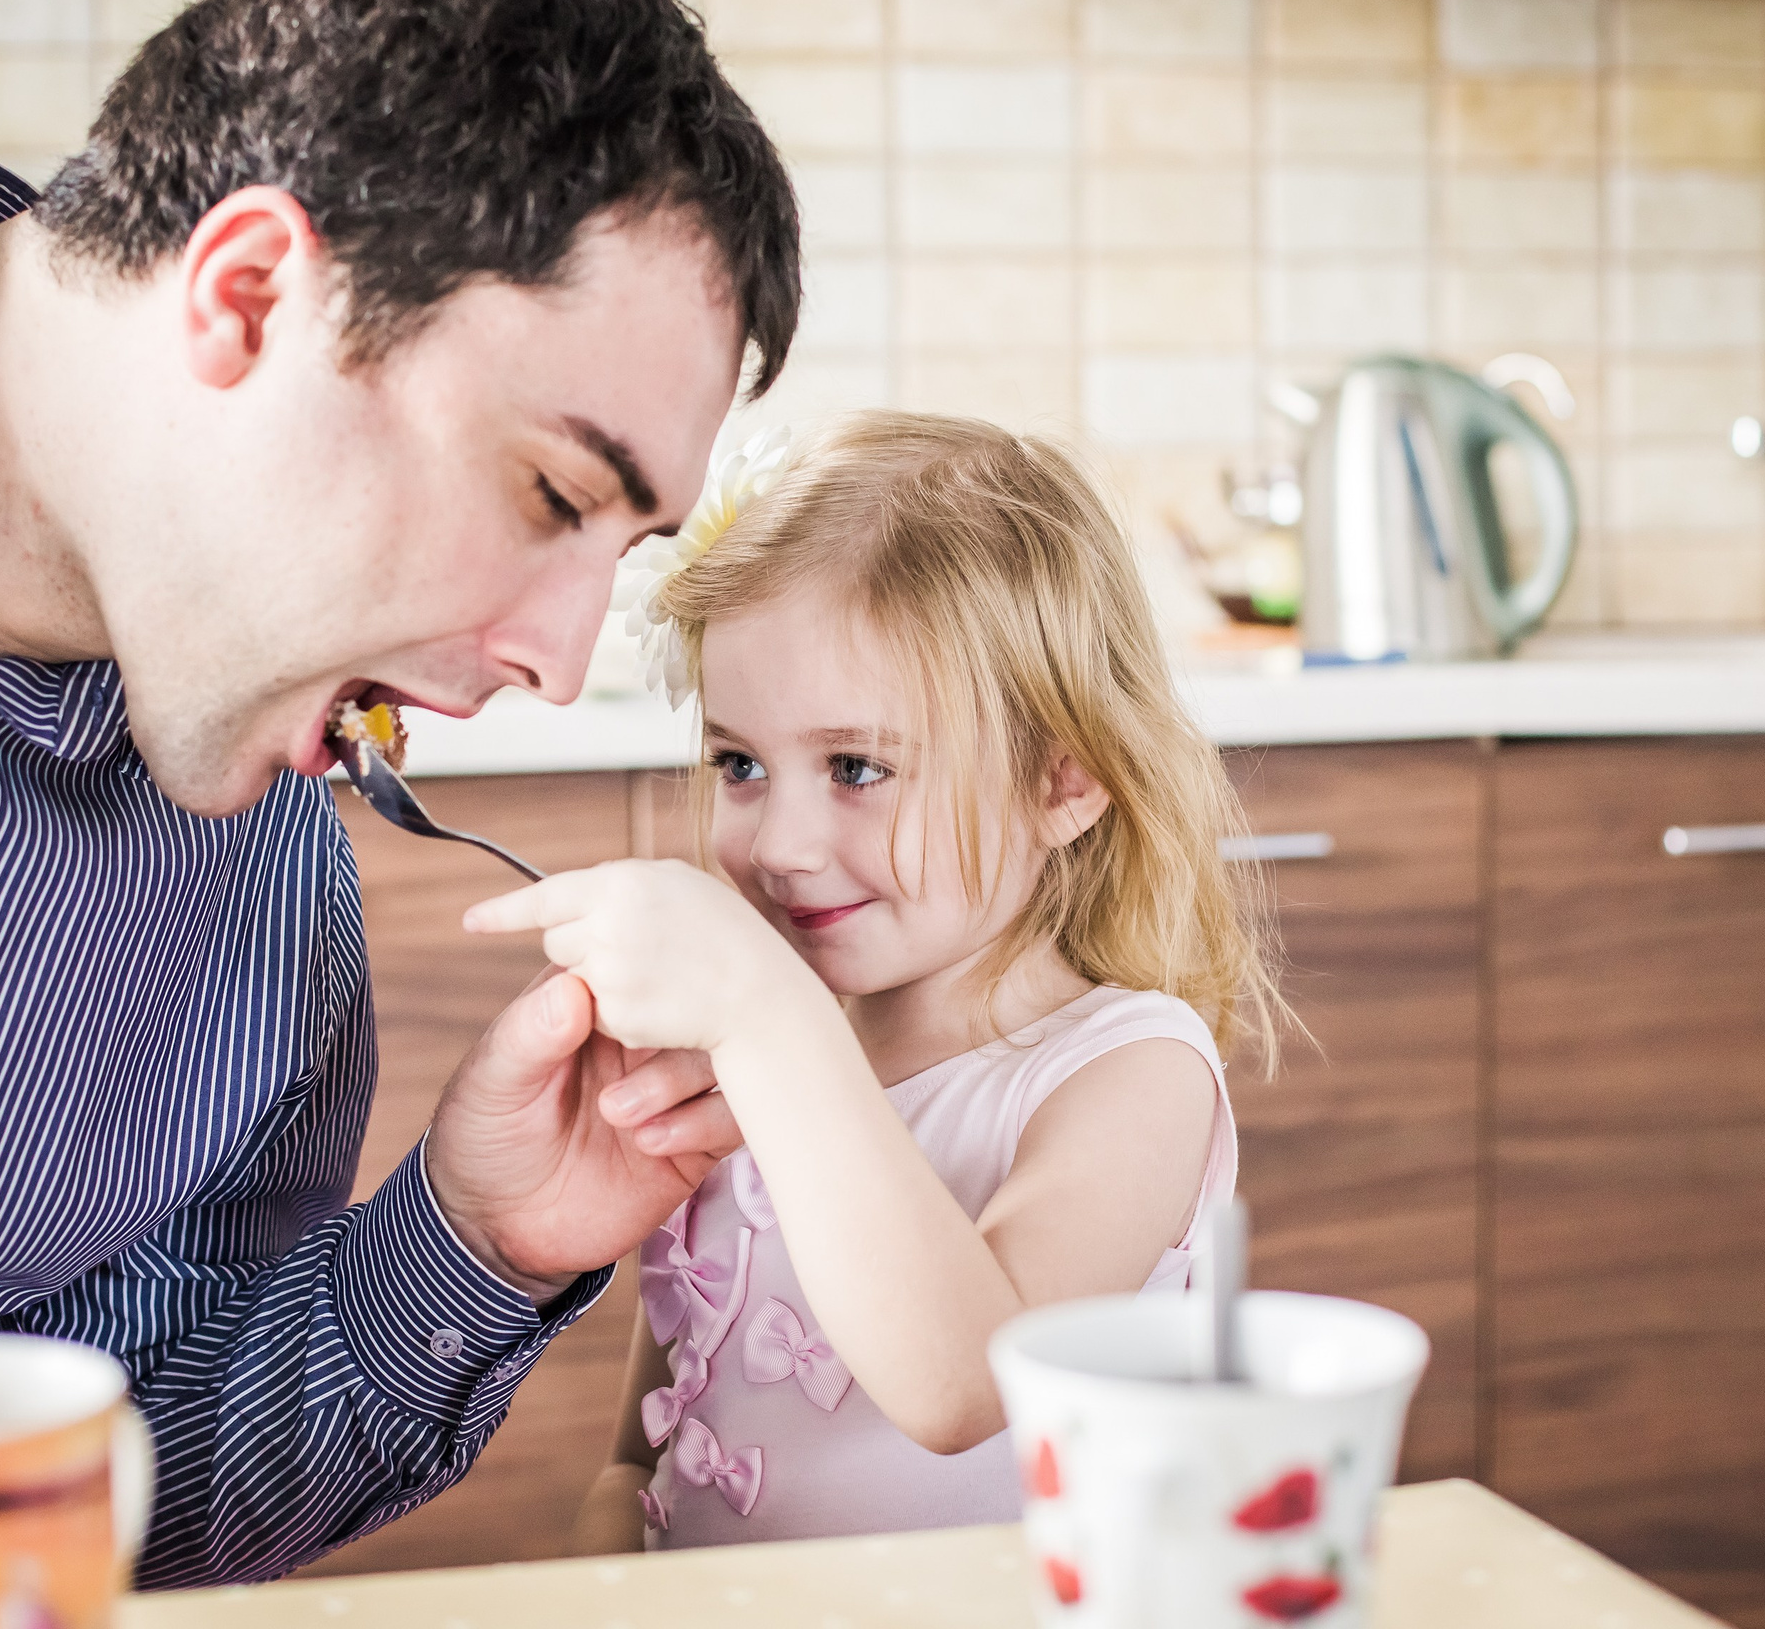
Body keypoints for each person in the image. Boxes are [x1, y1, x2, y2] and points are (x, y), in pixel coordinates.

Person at [0, 0, 798, 1614]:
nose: (556, 658)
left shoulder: (269, 914)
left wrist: (468, 1239)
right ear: (247, 293)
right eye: (553, 495)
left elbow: (121, 1488)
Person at [465, 412, 1288, 1551]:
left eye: (857, 768)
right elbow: (639, 1457)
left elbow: (963, 1385)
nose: (784, 842)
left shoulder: (1128, 1073)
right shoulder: (750, 1068)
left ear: (1065, 781)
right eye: (740, 764)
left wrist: (766, 1022)